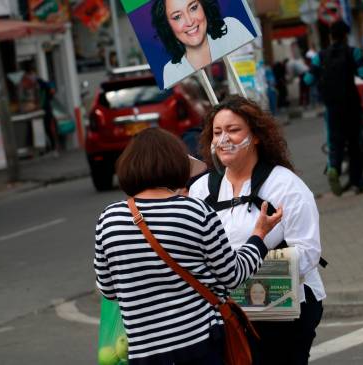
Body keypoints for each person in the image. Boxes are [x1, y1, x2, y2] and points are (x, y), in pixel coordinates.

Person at [94, 127, 282, 365]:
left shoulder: (109, 219)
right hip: (199, 346)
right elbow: (233, 275)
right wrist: (259, 236)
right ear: (175, 165)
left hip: (144, 354)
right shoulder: (194, 211)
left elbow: (108, 290)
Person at [188, 96, 325, 365]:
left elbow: (308, 252)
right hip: (228, 313)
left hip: (286, 309)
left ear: (256, 136)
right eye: (217, 132)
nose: (224, 139)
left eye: (234, 130)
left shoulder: (286, 186)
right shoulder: (200, 189)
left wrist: (248, 280)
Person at [304, 20, 363, 196]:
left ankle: (334, 168)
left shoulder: (320, 56)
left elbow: (308, 80)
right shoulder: (353, 52)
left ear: (330, 36)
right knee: (355, 143)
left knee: (336, 143)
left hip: (332, 107)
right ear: (345, 35)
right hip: (352, 105)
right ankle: (357, 183)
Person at [152, 0, 255, 89]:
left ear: (204, 6)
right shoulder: (170, 71)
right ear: (167, 26)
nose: (189, 22)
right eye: (177, 17)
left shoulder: (232, 28)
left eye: (193, 8)